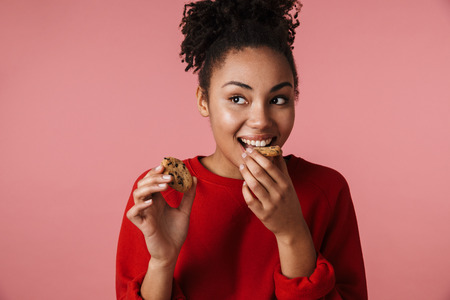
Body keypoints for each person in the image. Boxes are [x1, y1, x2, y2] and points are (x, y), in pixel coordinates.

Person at [116, 0, 367, 299]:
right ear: (203, 100)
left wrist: (292, 234)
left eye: (278, 99)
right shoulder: (161, 195)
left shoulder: (327, 190)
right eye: (237, 98)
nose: (261, 121)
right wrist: (162, 261)